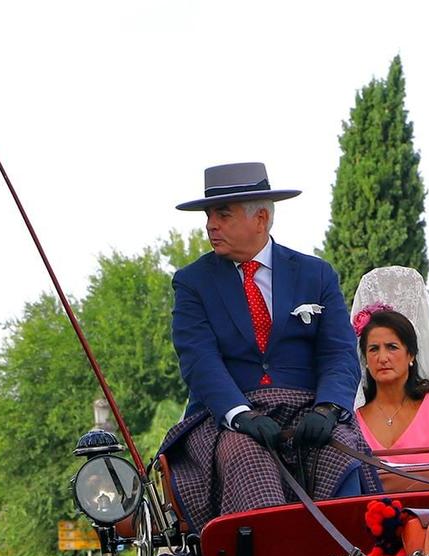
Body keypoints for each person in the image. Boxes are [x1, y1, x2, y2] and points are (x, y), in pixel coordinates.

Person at [161, 162, 379, 526]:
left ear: (260, 217)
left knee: (339, 454)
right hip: (228, 417)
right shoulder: (192, 282)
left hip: (308, 409)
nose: (210, 225)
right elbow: (199, 361)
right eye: (208, 215)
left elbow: (339, 352)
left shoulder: (316, 273)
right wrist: (240, 414)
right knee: (247, 457)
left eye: (222, 214)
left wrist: (327, 408)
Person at [349, 275, 429, 468]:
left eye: (392, 347)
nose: (382, 357)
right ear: (365, 359)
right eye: (374, 349)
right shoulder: (353, 419)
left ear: (411, 355)